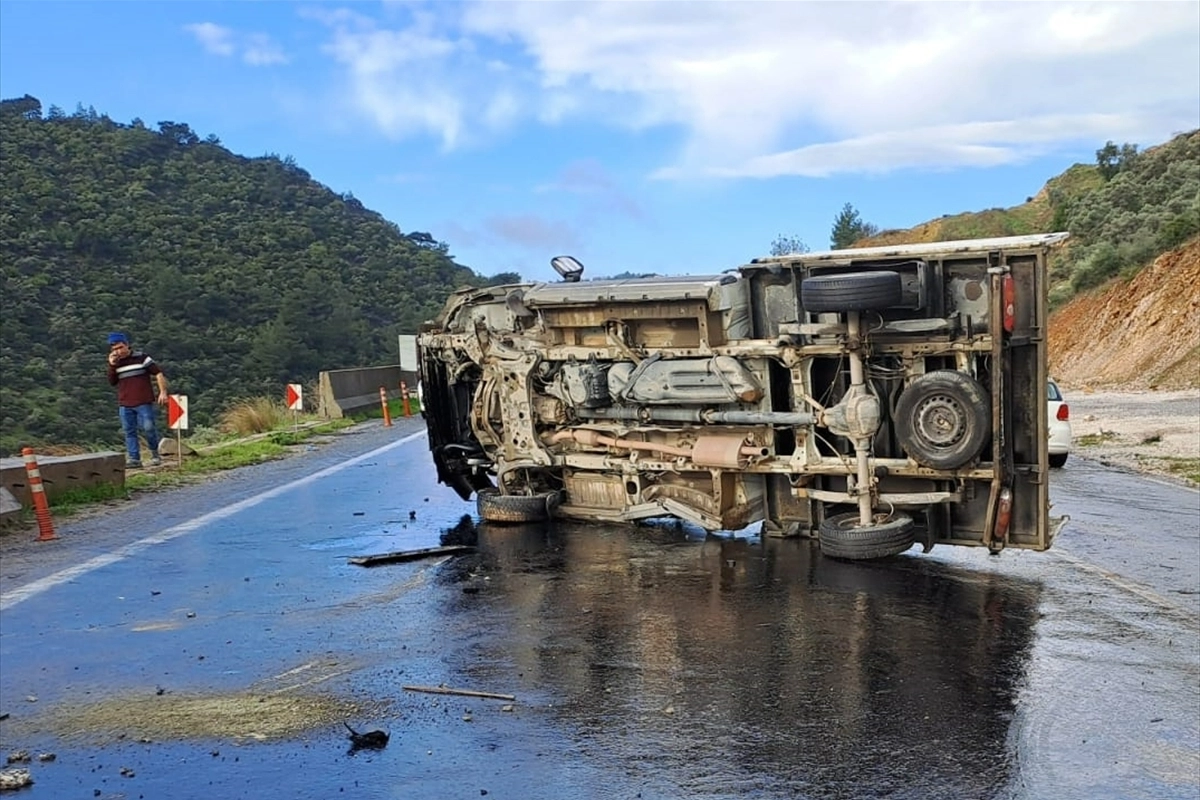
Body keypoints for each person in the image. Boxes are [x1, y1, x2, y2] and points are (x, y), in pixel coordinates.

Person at [106, 332, 168, 468]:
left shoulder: (142, 358)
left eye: (120, 347)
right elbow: (112, 382)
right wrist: (111, 365)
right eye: (115, 349)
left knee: (149, 428)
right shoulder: (116, 364)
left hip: (143, 401)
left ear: (127, 345)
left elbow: (158, 373)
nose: (118, 351)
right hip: (125, 403)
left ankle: (155, 453)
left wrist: (162, 392)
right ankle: (134, 459)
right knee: (129, 431)